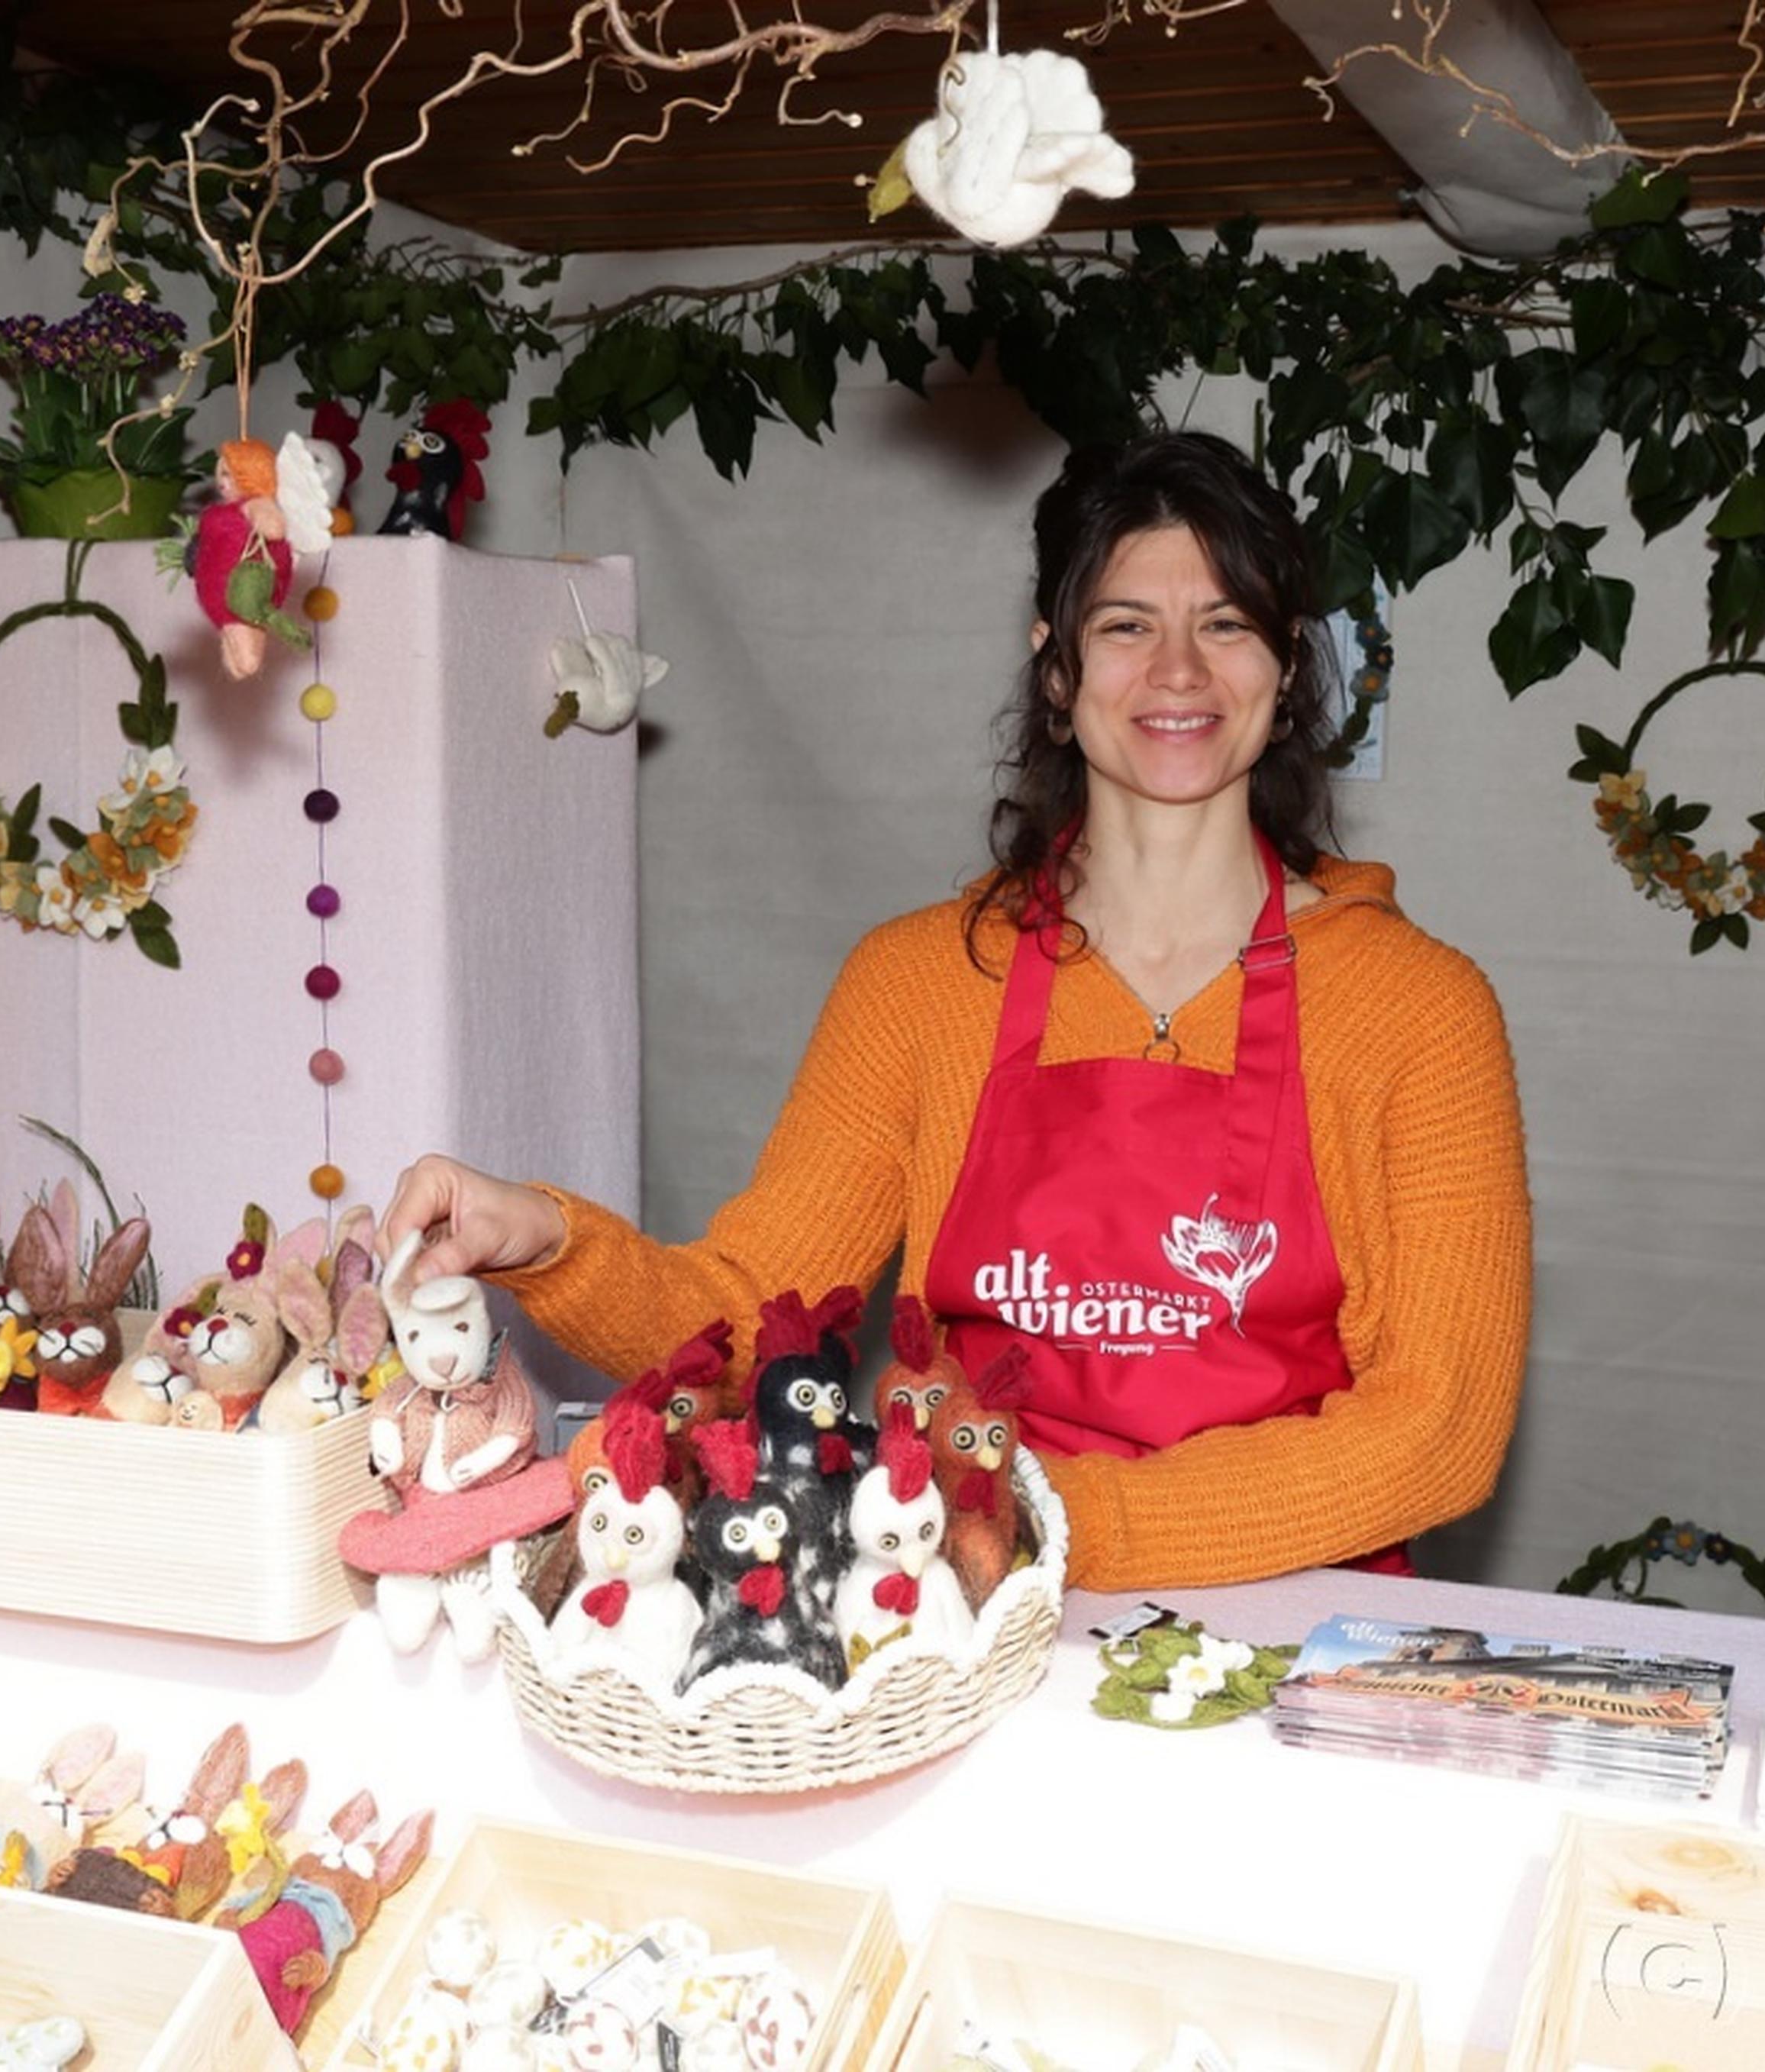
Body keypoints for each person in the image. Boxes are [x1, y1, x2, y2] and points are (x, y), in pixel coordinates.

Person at [384, 430, 1528, 1590]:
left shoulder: (1419, 1010)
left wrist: (1059, 1521)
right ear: (1056, 668)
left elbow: (1441, 1430)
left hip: (1299, 1635)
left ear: (1286, 666)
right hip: (971, 1623)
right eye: (1127, 624)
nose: (1179, 670)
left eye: (1226, 622)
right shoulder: (919, 985)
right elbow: (743, 1324)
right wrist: (548, 1235)